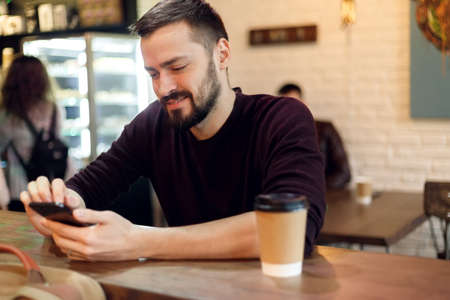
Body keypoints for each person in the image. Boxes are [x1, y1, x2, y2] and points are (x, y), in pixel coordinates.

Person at [20, 0, 325, 262]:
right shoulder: (153, 125)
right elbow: (89, 186)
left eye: (177, 67)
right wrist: (60, 204)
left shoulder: (281, 119)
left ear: (222, 54)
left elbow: (291, 230)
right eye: (153, 74)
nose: (163, 88)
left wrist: (137, 241)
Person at [0, 55, 76, 211]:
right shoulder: (54, 108)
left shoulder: (8, 115)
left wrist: (2, 198)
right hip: (51, 187)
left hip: (19, 189)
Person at [278, 83, 351, 189]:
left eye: (294, 103)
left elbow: (344, 173)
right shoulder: (278, 134)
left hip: (324, 197)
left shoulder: (325, 129)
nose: (289, 110)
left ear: (304, 104)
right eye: (284, 106)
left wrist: (312, 189)